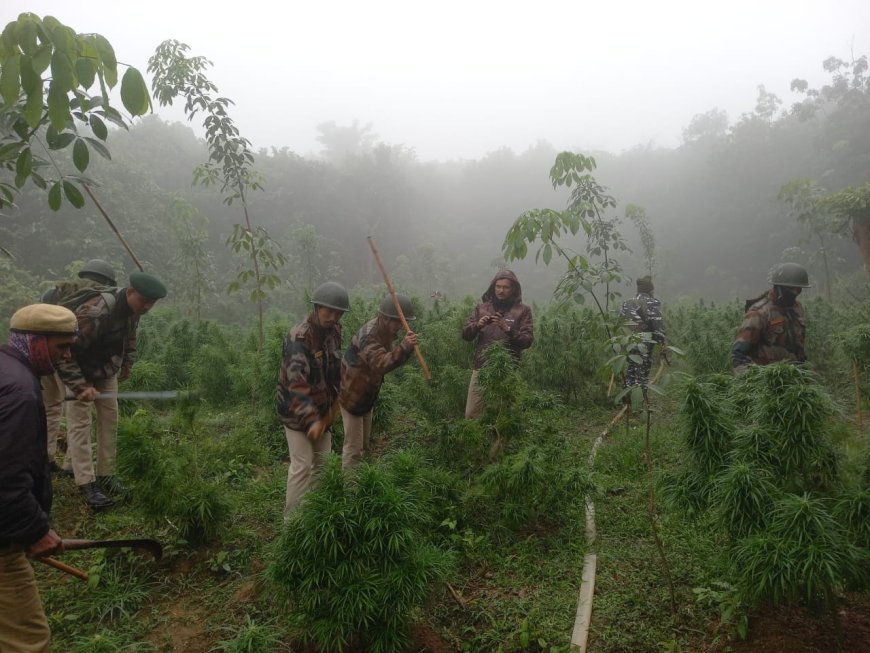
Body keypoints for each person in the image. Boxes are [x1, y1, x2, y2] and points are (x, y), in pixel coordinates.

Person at [0, 303, 77, 653]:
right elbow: (7, 477)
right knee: (28, 641)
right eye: (61, 346)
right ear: (35, 341)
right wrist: (34, 530)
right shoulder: (22, 393)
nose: (67, 355)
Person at [56, 271, 167, 509]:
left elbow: (130, 336)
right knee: (80, 424)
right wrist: (79, 386)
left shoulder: (134, 311)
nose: (147, 306)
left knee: (110, 419)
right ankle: (86, 483)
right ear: (129, 292)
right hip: (79, 369)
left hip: (106, 369)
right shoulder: (97, 311)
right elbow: (66, 353)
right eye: (143, 300)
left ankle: (107, 474)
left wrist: (128, 362)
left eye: (151, 303)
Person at [277, 281, 348, 517]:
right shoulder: (299, 337)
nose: (333, 317)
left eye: (338, 313)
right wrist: (311, 422)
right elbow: (296, 385)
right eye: (329, 311)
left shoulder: (335, 331)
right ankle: (292, 525)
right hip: (296, 413)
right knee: (302, 466)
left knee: (323, 464)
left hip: (323, 409)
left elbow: (335, 368)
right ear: (317, 307)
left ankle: (314, 516)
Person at [41, 259, 117, 475]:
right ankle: (71, 466)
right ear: (108, 282)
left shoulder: (55, 292)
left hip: (46, 353)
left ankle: (46, 460)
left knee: (52, 407)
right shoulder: (100, 299)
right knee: (79, 415)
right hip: (73, 359)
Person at [338, 295, 418, 470]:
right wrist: (404, 347)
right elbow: (381, 363)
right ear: (385, 318)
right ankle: (351, 493)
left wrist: (405, 348)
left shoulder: (385, 331)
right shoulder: (370, 335)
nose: (399, 327)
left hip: (366, 394)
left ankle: (364, 484)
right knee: (353, 449)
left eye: (400, 322)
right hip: (352, 395)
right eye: (396, 322)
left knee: (363, 445)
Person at [461, 269, 534, 419]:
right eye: (498, 286)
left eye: (505, 287)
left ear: (513, 289)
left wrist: (507, 329)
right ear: (493, 287)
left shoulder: (522, 311)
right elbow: (466, 335)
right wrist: (477, 326)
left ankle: (498, 443)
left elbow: (527, 341)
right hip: (481, 367)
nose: (501, 290)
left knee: (502, 416)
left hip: (507, 370)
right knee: (472, 413)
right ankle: (478, 443)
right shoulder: (482, 308)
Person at [732, 262, 809, 374]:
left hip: (793, 378)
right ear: (779, 287)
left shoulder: (797, 307)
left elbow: (799, 345)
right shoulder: (759, 312)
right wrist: (748, 383)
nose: (795, 292)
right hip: (767, 381)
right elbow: (738, 354)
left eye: (798, 289)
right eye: (791, 289)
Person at [619, 275, 666, 396]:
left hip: (628, 341)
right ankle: (640, 399)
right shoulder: (653, 302)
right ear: (650, 291)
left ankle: (628, 396)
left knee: (631, 368)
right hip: (645, 342)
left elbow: (621, 322)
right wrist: (662, 342)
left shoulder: (627, 302)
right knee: (642, 371)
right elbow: (657, 323)